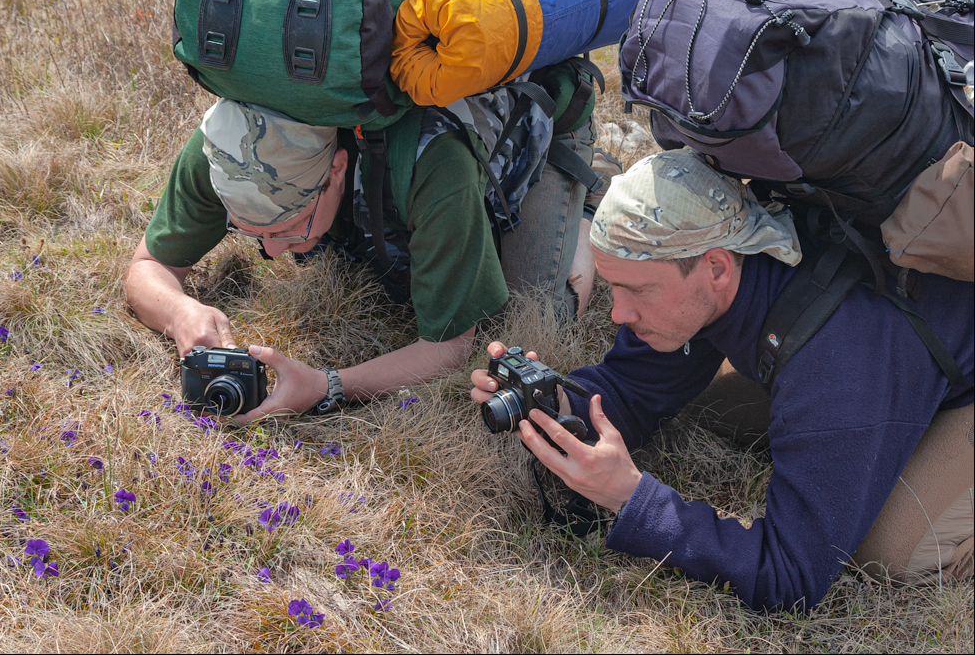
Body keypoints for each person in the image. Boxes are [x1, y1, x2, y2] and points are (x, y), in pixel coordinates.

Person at [470, 148, 974, 611]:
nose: (618, 313)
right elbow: (636, 386)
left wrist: (631, 498)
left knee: (890, 549)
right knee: (710, 404)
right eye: (614, 288)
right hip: (878, 365)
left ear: (716, 267)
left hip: (920, 379)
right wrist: (551, 403)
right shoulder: (720, 270)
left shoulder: (832, 370)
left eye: (637, 291)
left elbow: (790, 573)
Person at [127, 62, 613, 422]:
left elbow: (449, 344)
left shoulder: (430, 159)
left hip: (532, 126)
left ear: (336, 169)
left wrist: (327, 386)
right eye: (252, 233)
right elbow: (149, 265)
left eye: (285, 228)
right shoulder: (229, 150)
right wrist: (179, 312)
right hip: (399, 182)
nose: (273, 252)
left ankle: (588, 202)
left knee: (529, 323)